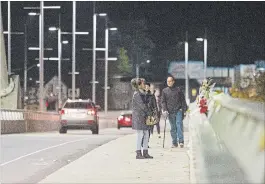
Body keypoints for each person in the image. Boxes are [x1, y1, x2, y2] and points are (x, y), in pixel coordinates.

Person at [161, 76, 188, 148]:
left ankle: (181, 141)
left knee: (179, 125)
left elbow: (183, 100)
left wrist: (184, 109)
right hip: (170, 111)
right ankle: (174, 142)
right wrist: (165, 110)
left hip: (178, 110)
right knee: (173, 127)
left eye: (170, 81)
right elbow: (163, 101)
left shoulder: (178, 90)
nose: (169, 83)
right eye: (167, 81)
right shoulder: (164, 91)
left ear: (173, 82)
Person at [131, 78, 153, 159]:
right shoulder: (137, 94)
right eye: (143, 84)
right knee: (140, 134)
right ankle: (138, 153)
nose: (145, 85)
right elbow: (143, 106)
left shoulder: (144, 93)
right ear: (139, 85)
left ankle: (145, 152)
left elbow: (149, 102)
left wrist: (149, 93)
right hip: (139, 117)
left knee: (146, 134)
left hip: (144, 117)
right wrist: (149, 113)